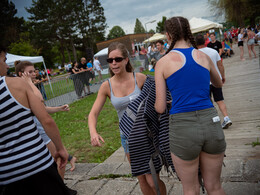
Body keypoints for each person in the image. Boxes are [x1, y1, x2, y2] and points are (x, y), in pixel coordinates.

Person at [155, 16, 226, 195]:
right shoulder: (203, 56)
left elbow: (161, 107)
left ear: (168, 35)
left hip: (183, 127)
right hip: (211, 121)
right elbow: (218, 84)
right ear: (189, 31)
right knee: (215, 187)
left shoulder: (163, 62)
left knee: (190, 189)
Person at [88, 42, 166, 195]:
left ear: (126, 60)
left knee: (152, 179)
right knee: (142, 179)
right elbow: (93, 114)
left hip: (146, 135)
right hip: (128, 138)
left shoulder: (140, 79)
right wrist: (93, 132)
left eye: (117, 59)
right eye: (110, 60)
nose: (114, 63)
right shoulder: (106, 86)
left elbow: (160, 98)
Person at [0, 46, 70, 194]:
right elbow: (46, 118)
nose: (7, 65)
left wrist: (58, 108)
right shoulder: (15, 84)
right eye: (4, 60)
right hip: (37, 163)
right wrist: (61, 148)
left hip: (6, 174)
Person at [14, 60, 77, 194]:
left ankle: (60, 186)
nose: (34, 74)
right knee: (59, 157)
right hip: (37, 129)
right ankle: (60, 189)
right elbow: (40, 99)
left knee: (54, 159)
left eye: (34, 71)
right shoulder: (21, 87)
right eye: (30, 72)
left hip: (38, 128)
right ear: (21, 74)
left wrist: (59, 108)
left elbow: (42, 108)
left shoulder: (24, 86)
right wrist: (29, 83)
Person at [196, 34, 232, 129]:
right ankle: (226, 117)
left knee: (208, 102)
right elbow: (220, 65)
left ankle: (214, 120)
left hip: (203, 82)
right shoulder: (213, 51)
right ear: (205, 41)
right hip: (216, 80)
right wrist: (222, 76)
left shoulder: (195, 54)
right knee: (220, 100)